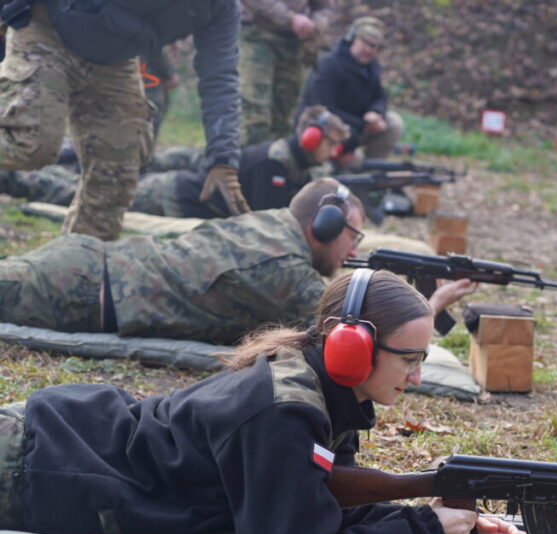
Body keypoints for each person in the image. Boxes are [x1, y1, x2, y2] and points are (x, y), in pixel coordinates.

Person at [0, 269, 519, 534]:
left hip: (63, 440)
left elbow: (316, 506)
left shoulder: (322, 392)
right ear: (351, 344)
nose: (419, 376)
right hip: (36, 467)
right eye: (408, 359)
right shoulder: (285, 413)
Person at [0, 177, 476, 345]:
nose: (352, 250)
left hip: (83, 270)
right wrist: (430, 306)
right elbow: (352, 324)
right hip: (74, 290)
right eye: (351, 235)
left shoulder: (273, 224)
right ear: (324, 226)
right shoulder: (281, 269)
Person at [0, 0, 249, 241]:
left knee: (117, 174)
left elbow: (221, 77)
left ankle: (79, 268)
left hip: (115, 61)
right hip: (48, 33)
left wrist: (223, 162)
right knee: (30, 144)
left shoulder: (221, 7)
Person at [0, 107, 350, 219]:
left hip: (182, 196)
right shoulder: (273, 165)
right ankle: (11, 175)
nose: (333, 153)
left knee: (92, 184)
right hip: (174, 196)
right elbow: (266, 219)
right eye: (331, 144)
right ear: (311, 138)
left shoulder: (291, 161)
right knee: (83, 193)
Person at [295, 16, 404, 168]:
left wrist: (375, 113)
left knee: (393, 123)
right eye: (365, 43)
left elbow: (380, 96)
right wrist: (362, 124)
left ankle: (372, 170)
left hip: (356, 127)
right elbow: (322, 109)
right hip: (325, 128)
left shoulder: (371, 67)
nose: (369, 50)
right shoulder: (329, 65)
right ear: (352, 38)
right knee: (355, 159)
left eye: (375, 46)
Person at [238, 0, 342, 146]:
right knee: (255, 114)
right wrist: (289, 18)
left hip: (295, 42)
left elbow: (325, 7)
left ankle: (275, 164)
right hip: (257, 35)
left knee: (284, 116)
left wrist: (315, 25)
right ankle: (249, 162)